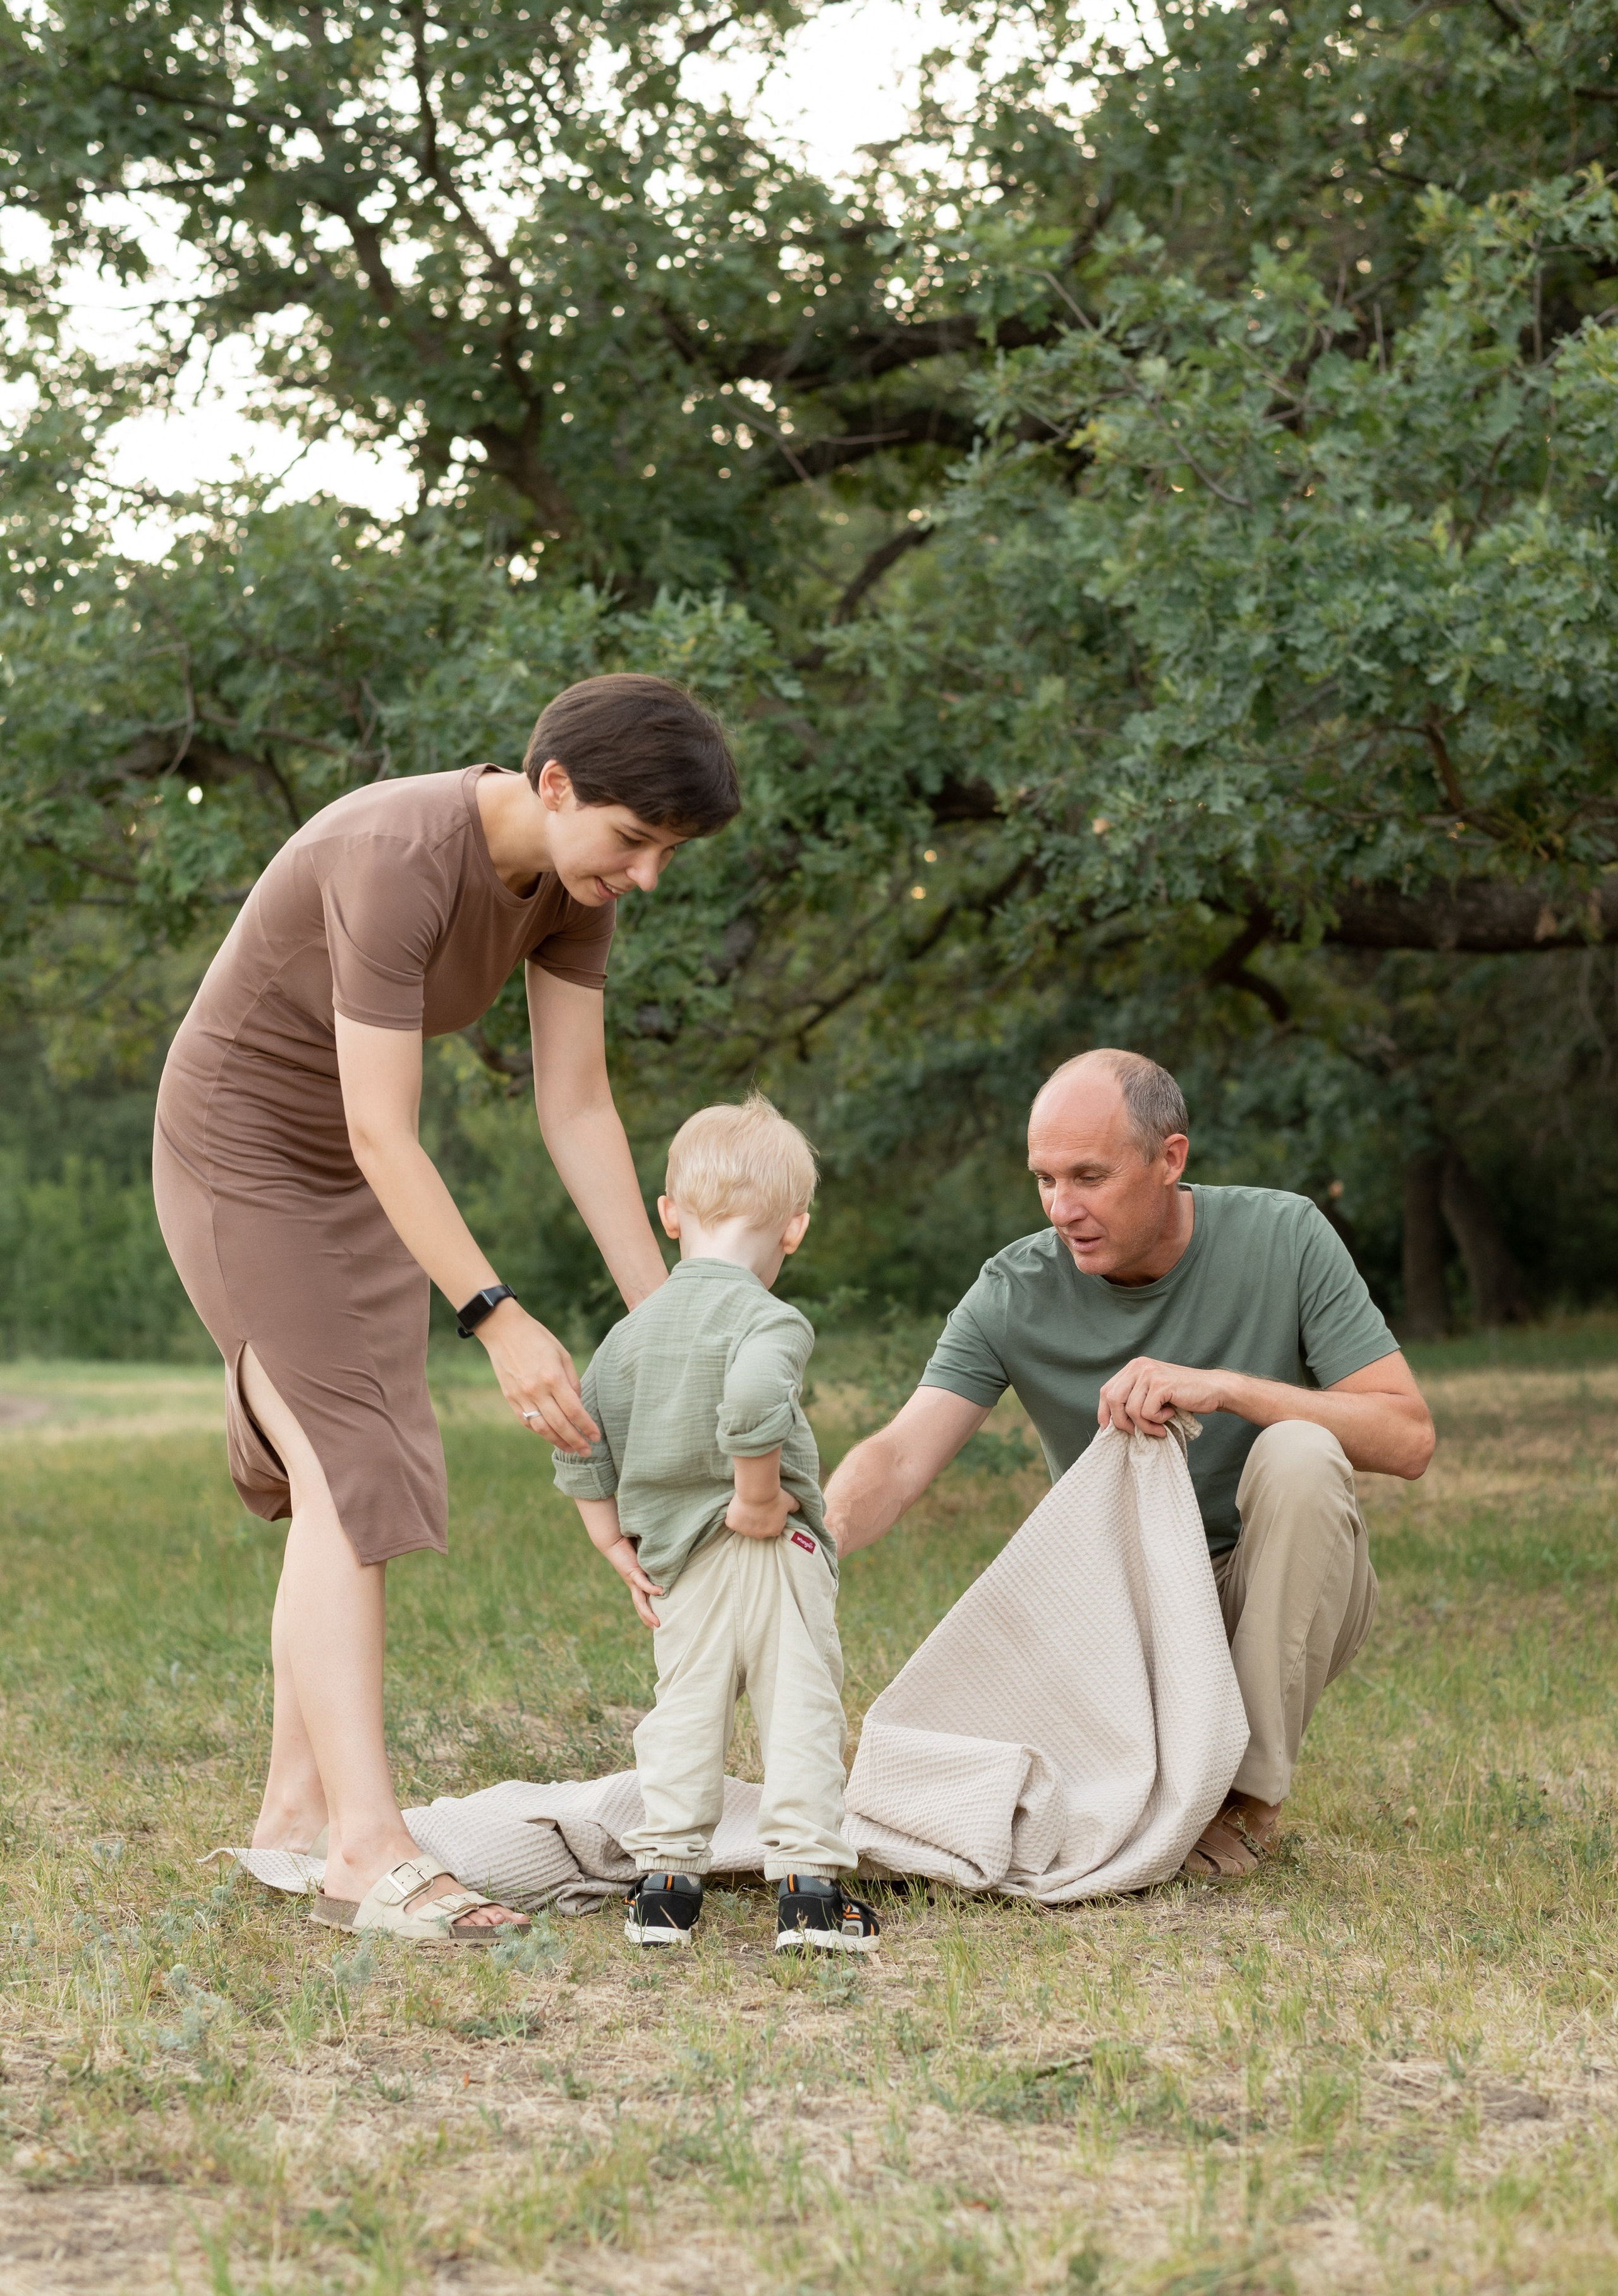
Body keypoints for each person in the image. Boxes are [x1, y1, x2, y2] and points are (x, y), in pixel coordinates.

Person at [154, 672, 739, 1944]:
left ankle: (293, 1821)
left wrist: (670, 1315)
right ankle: (367, 1851)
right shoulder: (396, 853)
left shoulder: (564, 890)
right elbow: (379, 1121)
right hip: (243, 1154)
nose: (642, 877)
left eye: (665, 856)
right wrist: (497, 1313)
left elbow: (575, 1108)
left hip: (356, 1175)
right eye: (633, 841)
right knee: (348, 1463)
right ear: (553, 786)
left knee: (361, 1471)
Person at [823, 1048, 1436, 1880]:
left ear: (1169, 1159)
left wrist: (1226, 1389)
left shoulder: (1284, 1234)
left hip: (1278, 1594)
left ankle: (1242, 1803)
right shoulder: (1016, 1290)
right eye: (1043, 1179)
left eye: (1088, 1175)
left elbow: (1407, 1436)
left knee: (1300, 1451)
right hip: (1120, 1617)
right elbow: (898, 1457)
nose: (1061, 1207)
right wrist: (805, 1542)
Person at [555, 1093, 880, 1955]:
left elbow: (581, 1435)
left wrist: (611, 1542)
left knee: (685, 1715)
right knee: (798, 1709)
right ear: (795, 1228)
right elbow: (752, 1398)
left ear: (668, 1215)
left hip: (679, 1565)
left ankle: (665, 1889)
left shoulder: (627, 1336)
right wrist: (758, 1493)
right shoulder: (770, 1317)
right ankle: (809, 1894)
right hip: (775, 1551)